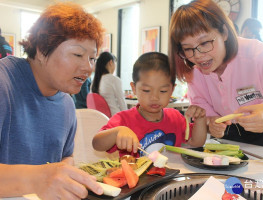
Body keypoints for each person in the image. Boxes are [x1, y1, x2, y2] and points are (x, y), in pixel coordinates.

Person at [0, 3, 105, 199]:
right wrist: (38, 179)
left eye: (92, 58)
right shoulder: (4, 83)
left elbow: (66, 157)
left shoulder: (66, 103)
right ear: (41, 50)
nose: (88, 67)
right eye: (78, 54)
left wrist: (64, 173)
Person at [169, 0, 263, 150]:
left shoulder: (257, 55)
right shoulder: (193, 68)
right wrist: (211, 121)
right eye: (188, 48)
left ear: (224, 33)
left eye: (205, 43)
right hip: (230, 131)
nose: (198, 56)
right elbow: (203, 107)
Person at [92, 52, 207, 157]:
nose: (155, 98)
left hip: (171, 177)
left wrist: (200, 119)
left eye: (163, 91)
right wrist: (117, 132)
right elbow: (97, 144)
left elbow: (196, 142)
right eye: (146, 90)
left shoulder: (175, 117)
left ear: (172, 90)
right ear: (134, 88)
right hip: (136, 179)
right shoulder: (124, 120)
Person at [91, 52, 127, 116]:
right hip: (115, 119)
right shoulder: (114, 79)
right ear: (111, 62)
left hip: (100, 119)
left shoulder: (95, 81)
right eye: (114, 63)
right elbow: (122, 104)